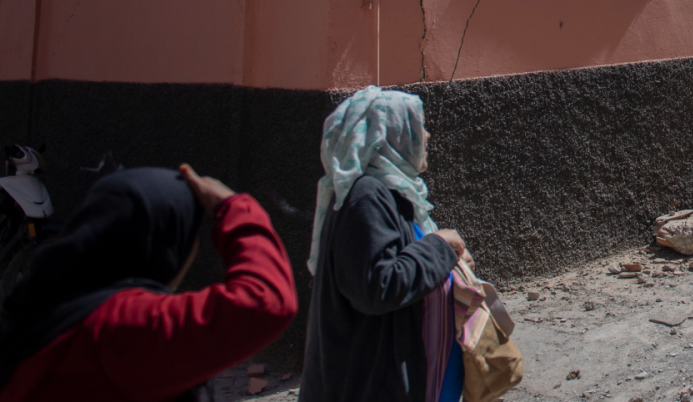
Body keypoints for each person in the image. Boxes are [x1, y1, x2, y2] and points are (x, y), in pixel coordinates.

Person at [0, 164, 297, 401]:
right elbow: (264, 302)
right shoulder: (120, 327)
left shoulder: (46, 305)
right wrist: (235, 208)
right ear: (166, 244)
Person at [300, 86, 472, 402]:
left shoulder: (394, 194)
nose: (428, 135)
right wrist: (438, 247)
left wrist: (451, 264)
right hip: (368, 386)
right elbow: (377, 286)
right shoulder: (366, 197)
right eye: (418, 125)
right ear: (387, 135)